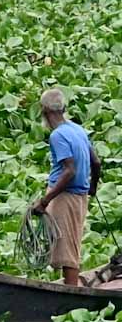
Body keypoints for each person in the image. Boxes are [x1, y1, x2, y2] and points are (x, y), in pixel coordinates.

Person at [33, 87, 95, 286]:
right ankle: (70, 287)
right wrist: (92, 187)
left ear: (44, 110)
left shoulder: (57, 135)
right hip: (80, 196)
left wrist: (45, 201)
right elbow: (97, 162)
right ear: (63, 108)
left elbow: (69, 171)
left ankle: (70, 294)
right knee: (70, 242)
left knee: (67, 249)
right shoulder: (78, 129)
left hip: (65, 196)